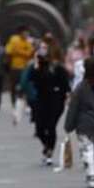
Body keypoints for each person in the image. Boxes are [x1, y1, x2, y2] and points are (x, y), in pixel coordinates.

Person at [64, 56, 94, 188]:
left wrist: (68, 125)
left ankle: (91, 172)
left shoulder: (81, 87)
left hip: (84, 124)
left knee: (86, 148)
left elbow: (74, 107)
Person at [31, 36, 70, 166]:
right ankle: (46, 145)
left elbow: (65, 84)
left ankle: (49, 151)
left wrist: (67, 96)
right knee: (40, 128)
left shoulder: (57, 67)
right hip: (41, 100)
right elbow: (33, 81)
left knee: (51, 125)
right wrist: (36, 65)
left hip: (55, 100)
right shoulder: (37, 67)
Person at [5, 25, 34, 121]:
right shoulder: (14, 39)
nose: (27, 34)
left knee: (24, 86)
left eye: (28, 33)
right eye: (25, 32)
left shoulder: (28, 42)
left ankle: (24, 104)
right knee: (13, 86)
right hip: (14, 67)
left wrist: (19, 52)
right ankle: (14, 105)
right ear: (21, 32)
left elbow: (30, 53)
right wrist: (24, 52)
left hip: (25, 68)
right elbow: (10, 51)